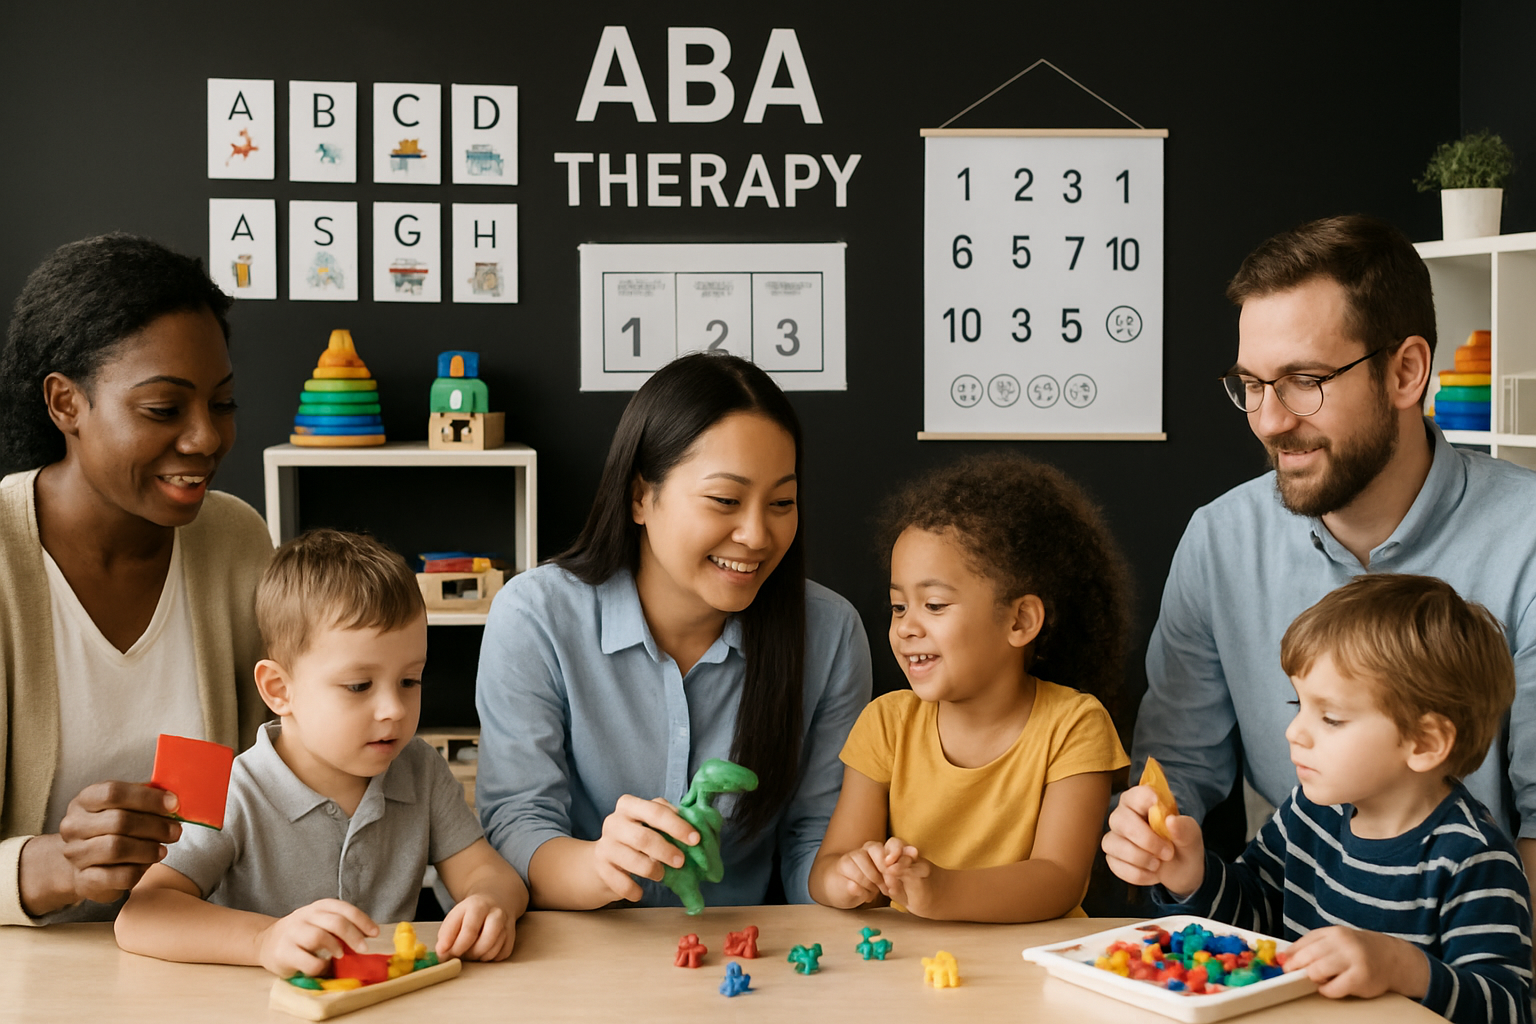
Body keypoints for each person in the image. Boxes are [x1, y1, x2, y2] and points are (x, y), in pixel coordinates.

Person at [1132, 215, 1536, 889]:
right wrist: (1145, 833)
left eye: (1304, 380)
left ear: (1406, 371)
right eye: (1252, 385)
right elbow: (1174, 775)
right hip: (1290, 952)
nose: (1270, 421)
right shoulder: (1220, 539)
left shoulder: (1525, 537)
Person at [475, 353, 873, 910]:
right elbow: (517, 824)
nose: (757, 535)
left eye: (782, 502)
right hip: (580, 951)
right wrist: (599, 866)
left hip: (740, 958)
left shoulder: (830, 634)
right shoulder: (535, 616)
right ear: (641, 496)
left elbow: (812, 840)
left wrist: (851, 880)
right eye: (725, 501)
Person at [1106, 574, 1531, 1024]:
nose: (1294, 733)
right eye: (1298, 706)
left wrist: (1403, 969)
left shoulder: (1473, 859)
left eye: (1329, 717)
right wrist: (1190, 876)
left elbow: (1508, 1008)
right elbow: (1252, 919)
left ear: (1424, 743)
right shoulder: (1309, 814)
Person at [0, 234, 272, 926]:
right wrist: (48, 866)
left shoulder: (236, 541)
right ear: (66, 404)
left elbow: (275, 779)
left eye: (224, 403)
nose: (206, 438)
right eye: (163, 409)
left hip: (208, 956)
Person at [114, 530, 528, 977]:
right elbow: (142, 916)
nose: (393, 709)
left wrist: (490, 903)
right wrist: (262, 940)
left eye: (410, 681)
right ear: (279, 690)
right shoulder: (234, 790)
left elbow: (491, 875)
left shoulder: (420, 769)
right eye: (359, 686)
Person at [809, 455, 1130, 921]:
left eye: (934, 604)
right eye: (899, 607)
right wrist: (847, 878)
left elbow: (1060, 878)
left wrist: (943, 891)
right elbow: (828, 866)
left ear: (1020, 620)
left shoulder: (1075, 725)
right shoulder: (885, 723)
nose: (905, 628)